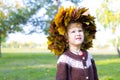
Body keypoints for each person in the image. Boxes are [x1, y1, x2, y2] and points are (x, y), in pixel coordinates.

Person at [47, 6, 98, 80]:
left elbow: (95, 77)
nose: (78, 34)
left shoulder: (89, 56)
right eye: (73, 31)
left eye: (80, 31)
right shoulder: (64, 59)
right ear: (66, 38)